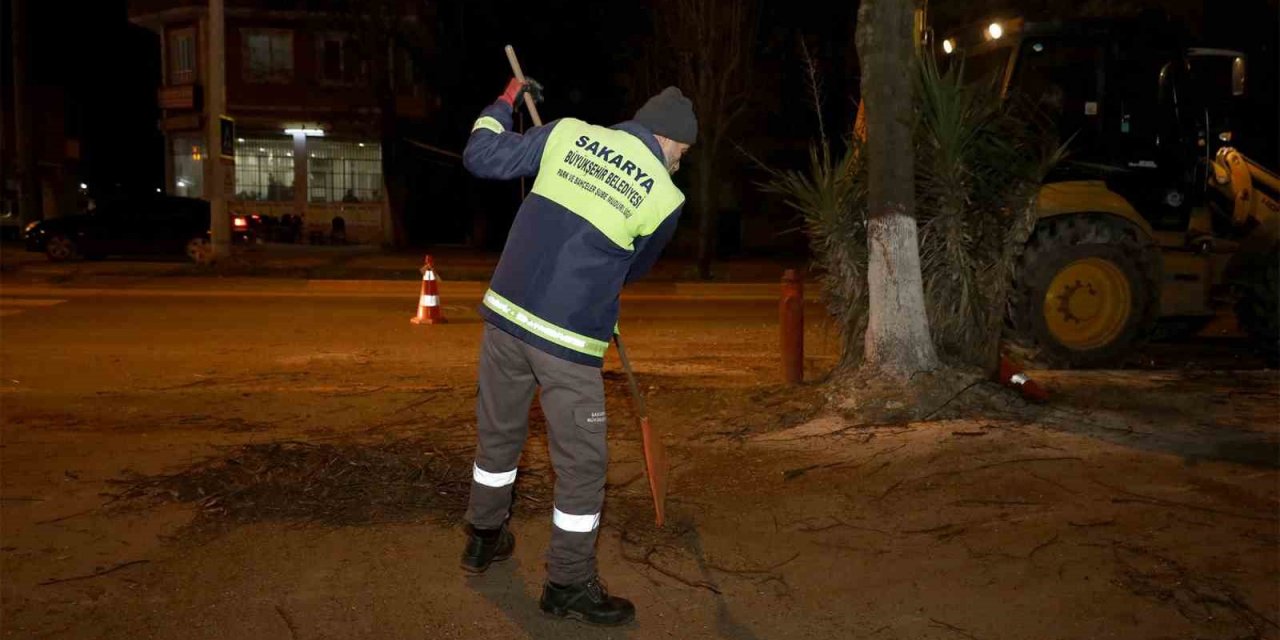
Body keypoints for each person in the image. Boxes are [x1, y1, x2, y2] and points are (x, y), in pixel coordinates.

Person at [459, 77, 695, 626]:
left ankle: (483, 538)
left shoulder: (565, 134)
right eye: (683, 152)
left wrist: (506, 97)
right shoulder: (665, 197)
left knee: (498, 438)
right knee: (583, 468)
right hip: (566, 342)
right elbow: (633, 267)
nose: (681, 163)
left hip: (503, 317)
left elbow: (481, 153)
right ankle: (567, 583)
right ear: (669, 140)